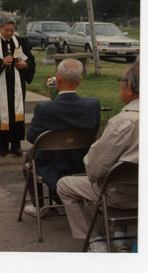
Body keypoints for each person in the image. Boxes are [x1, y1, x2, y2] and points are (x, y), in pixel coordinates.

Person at [57, 61, 139, 252]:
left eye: (121, 81)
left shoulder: (123, 123)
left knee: (65, 185)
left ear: (128, 87)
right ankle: (120, 237)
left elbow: (94, 169)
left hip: (119, 195)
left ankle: (95, 241)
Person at [23, 58, 101, 217]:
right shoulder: (92, 105)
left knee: (30, 157)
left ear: (57, 79)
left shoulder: (45, 108)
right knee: (46, 152)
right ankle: (59, 200)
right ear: (79, 80)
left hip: (53, 160)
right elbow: (94, 131)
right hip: (80, 158)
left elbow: (32, 137)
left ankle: (39, 205)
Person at [0, 15, 36, 157]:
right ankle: (3, 145)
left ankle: (16, 145)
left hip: (16, 86)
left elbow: (31, 62)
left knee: (16, 113)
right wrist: (1, 63)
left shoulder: (21, 42)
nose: (9, 33)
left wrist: (24, 65)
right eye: (6, 30)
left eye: (12, 30)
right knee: (2, 114)